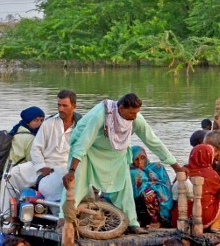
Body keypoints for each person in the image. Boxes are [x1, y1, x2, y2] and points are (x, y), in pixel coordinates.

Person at [64, 93, 184, 235]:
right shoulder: (100, 115)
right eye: (132, 113)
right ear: (121, 108)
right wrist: (72, 170)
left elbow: (153, 142)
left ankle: (132, 223)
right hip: (88, 149)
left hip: (116, 150)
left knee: (124, 186)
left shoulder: (136, 120)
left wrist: (176, 166)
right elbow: (84, 142)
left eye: (137, 113)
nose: (135, 116)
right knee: (77, 183)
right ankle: (64, 220)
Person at [6, 90, 80, 202]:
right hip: (44, 165)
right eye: (59, 105)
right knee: (11, 175)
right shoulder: (48, 123)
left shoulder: (81, 127)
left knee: (60, 185)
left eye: (65, 106)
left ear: (74, 106)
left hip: (66, 167)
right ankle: (9, 213)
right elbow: (36, 149)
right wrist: (41, 166)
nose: (61, 109)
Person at [174, 143, 220, 233]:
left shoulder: (183, 170)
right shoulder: (211, 174)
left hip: (177, 217)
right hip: (201, 217)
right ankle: (217, 226)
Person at [130, 145, 176, 227]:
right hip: (140, 201)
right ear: (131, 160)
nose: (140, 162)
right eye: (136, 159)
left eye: (142, 158)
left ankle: (158, 221)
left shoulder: (157, 167)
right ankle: (148, 220)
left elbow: (166, 185)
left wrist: (154, 187)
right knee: (147, 193)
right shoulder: (132, 171)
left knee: (149, 193)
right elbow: (138, 187)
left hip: (160, 198)